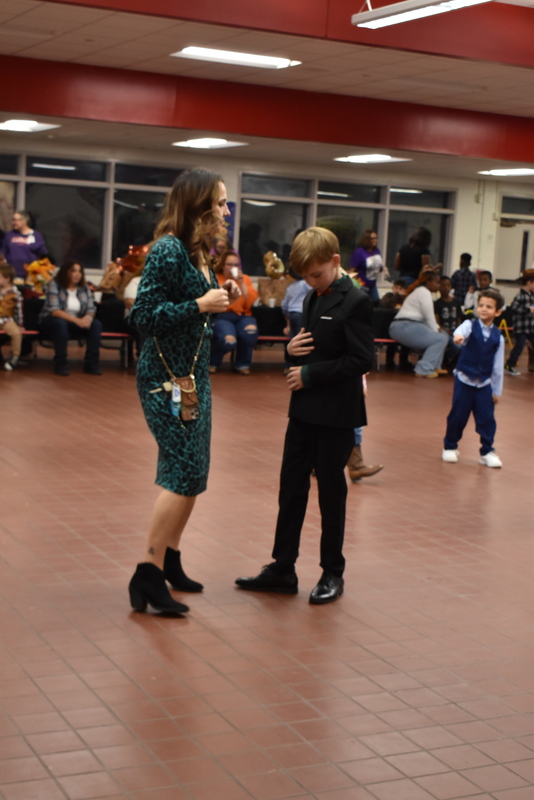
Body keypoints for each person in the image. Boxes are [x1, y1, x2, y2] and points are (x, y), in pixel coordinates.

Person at [235, 227, 374, 605]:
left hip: (337, 413)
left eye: (317, 275)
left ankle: (332, 571)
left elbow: (363, 359)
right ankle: (283, 567)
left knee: (331, 492)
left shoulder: (356, 301)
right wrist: (292, 352)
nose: (312, 283)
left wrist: (310, 373)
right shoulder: (314, 297)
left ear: (334, 261)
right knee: (291, 487)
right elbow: (309, 348)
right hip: (304, 409)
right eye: (306, 278)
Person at [128, 168, 239, 615]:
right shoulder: (168, 250)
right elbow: (143, 317)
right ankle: (147, 574)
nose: (226, 211)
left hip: (191, 379)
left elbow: (199, 309)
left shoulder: (200, 254)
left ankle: (171, 560)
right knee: (181, 470)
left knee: (194, 472)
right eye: (219, 202)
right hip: (165, 379)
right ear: (197, 205)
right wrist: (199, 304)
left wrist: (219, 293)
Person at [442, 288, 505, 468]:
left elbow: (498, 366)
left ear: (498, 312)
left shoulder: (498, 337)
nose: (484, 309)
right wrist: (458, 336)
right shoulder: (470, 325)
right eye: (481, 305)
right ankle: (450, 446)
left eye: (489, 307)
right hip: (465, 380)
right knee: (458, 415)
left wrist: (496, 390)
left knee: (487, 418)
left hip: (484, 384)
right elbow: (461, 331)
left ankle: (487, 451)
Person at [39, 260, 103, 376]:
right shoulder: (54, 285)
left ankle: (91, 363)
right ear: (65, 272)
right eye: (73, 271)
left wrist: (87, 319)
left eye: (80, 271)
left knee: (96, 325)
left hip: (77, 320)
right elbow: (54, 311)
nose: (77, 274)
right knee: (60, 324)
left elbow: (91, 308)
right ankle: (61, 363)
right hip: (53, 320)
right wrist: (77, 321)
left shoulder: (84, 288)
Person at [389, 268, 449, 378]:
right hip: (404, 326)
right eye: (437, 282)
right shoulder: (424, 292)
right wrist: (436, 330)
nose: (439, 285)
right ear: (428, 282)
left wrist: (438, 331)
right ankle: (424, 368)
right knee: (440, 338)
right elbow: (429, 316)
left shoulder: (421, 291)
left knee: (444, 336)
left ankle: (435, 366)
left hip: (407, 326)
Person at [209, 250, 258, 375]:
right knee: (229, 340)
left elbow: (249, 301)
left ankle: (243, 364)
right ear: (223, 265)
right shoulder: (215, 277)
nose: (233, 268)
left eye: (236, 265)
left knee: (250, 333)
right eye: (229, 264)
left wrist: (241, 283)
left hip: (242, 315)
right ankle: (212, 362)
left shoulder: (245, 279)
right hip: (222, 316)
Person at [504, 268, 534, 377]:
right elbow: (514, 307)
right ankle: (509, 365)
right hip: (521, 327)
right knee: (520, 345)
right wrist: (527, 310)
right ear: (529, 283)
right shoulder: (520, 295)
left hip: (530, 327)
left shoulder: (532, 295)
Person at [1, 210, 48, 279]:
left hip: (30, 275)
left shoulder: (36, 236)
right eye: (13, 220)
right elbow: (3, 252)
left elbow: (43, 255)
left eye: (15, 220)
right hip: (12, 274)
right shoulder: (10, 235)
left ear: (24, 221)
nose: (13, 222)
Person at [350, 230, 388, 300]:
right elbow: (353, 270)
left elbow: (378, 265)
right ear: (366, 239)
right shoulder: (359, 252)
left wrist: (383, 269)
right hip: (362, 285)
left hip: (373, 284)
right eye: (372, 238)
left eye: (376, 238)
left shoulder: (376, 251)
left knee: (376, 302)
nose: (375, 240)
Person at [0, 263, 23, 371]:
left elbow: (19, 310)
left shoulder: (15, 293)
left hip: (7, 319)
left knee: (16, 333)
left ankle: (15, 357)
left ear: (7, 278)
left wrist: (20, 324)